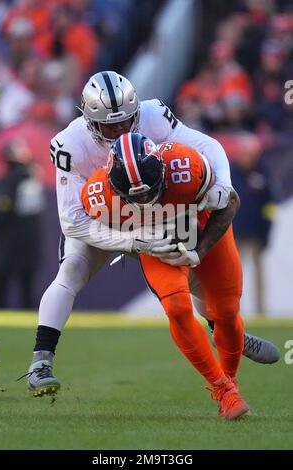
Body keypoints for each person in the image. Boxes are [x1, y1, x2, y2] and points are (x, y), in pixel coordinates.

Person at [23, 71, 279, 397]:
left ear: (136, 114)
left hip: (154, 210)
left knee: (195, 285)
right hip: (103, 216)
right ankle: (41, 360)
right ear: (89, 121)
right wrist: (132, 241)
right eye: (109, 127)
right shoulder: (70, 144)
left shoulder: (154, 114)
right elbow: (73, 222)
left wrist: (223, 185)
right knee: (71, 270)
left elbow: (207, 144)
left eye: (125, 123)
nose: (119, 133)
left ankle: (228, 333)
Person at [81, 132, 251, 419]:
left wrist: (199, 250)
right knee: (176, 306)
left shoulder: (186, 166)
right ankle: (224, 390)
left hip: (203, 231)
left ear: (162, 170)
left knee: (226, 311)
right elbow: (88, 231)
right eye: (135, 197)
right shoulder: (98, 194)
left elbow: (230, 202)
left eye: (149, 191)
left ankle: (231, 379)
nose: (145, 199)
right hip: (157, 246)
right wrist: (137, 242)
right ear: (113, 185)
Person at [0, 139, 45, 309]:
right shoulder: (33, 175)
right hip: (31, 235)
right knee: (27, 281)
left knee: (1, 278)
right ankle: (29, 309)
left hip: (9, 236)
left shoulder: (11, 178)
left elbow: (4, 205)